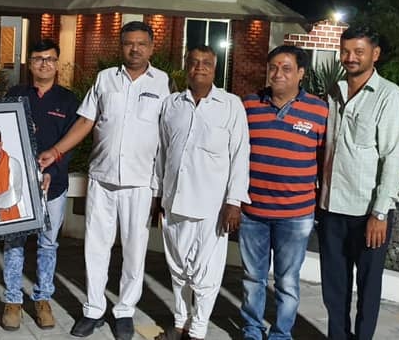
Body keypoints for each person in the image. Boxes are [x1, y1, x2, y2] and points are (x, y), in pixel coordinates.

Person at [37, 21, 170, 340]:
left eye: (141, 43)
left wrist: (164, 186)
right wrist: (56, 151)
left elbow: (168, 134)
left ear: (151, 47)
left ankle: (124, 311)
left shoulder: (164, 83)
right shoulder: (105, 79)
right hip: (102, 177)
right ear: (121, 46)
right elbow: (86, 122)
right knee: (95, 248)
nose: (134, 49)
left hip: (140, 181)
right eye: (128, 43)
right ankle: (93, 309)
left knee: (135, 251)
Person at [152, 45, 250, 340]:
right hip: (174, 201)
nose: (200, 67)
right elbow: (162, 152)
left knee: (206, 273)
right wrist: (158, 194)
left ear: (215, 68)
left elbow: (240, 155)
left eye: (206, 62)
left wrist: (234, 201)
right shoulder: (172, 104)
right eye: (194, 62)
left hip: (212, 206)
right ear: (187, 66)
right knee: (177, 269)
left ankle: (197, 329)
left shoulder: (230, 105)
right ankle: (180, 322)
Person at [318, 26, 399, 340]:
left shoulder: (390, 96)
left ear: (375, 54)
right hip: (331, 208)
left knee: (368, 288)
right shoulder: (334, 91)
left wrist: (380, 213)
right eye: (345, 51)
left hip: (368, 213)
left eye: (359, 51)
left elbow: (393, 158)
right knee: (334, 287)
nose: (350, 57)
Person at [239, 45, 328, 340]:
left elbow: (323, 161)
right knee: (253, 277)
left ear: (301, 73)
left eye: (286, 68)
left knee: (287, 280)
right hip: (253, 212)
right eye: (273, 67)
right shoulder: (249, 105)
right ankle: (252, 330)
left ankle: (281, 333)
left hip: (296, 214)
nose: (278, 74)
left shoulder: (319, 111)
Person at [0, 39, 78, 331]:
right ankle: (12, 300)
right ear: (29, 63)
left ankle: (43, 298)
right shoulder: (15, 95)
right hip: (17, 184)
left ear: (57, 64)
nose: (44, 64)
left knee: (48, 244)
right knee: (14, 242)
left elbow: (71, 145)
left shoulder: (68, 100)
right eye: (38, 59)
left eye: (50, 59)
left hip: (53, 185)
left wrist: (51, 171)